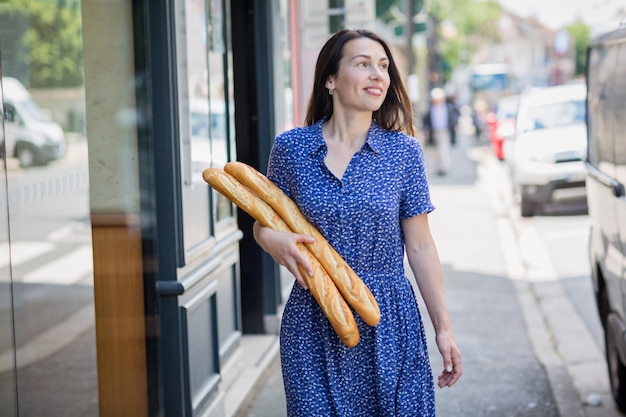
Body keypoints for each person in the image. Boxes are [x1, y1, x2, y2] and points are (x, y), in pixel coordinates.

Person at [253, 29, 462, 416]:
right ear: (330, 79)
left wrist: (443, 329)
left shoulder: (404, 153)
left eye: (383, 66)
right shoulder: (292, 149)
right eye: (363, 64)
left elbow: (420, 245)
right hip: (314, 318)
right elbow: (265, 221)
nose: (377, 74)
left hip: (389, 319)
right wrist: (272, 241)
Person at [422, 87, 459, 176]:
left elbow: (453, 119)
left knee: (444, 149)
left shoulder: (448, 108)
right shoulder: (430, 109)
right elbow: (426, 120)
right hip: (434, 132)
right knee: (436, 151)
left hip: (445, 131)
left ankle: (444, 167)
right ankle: (438, 167)